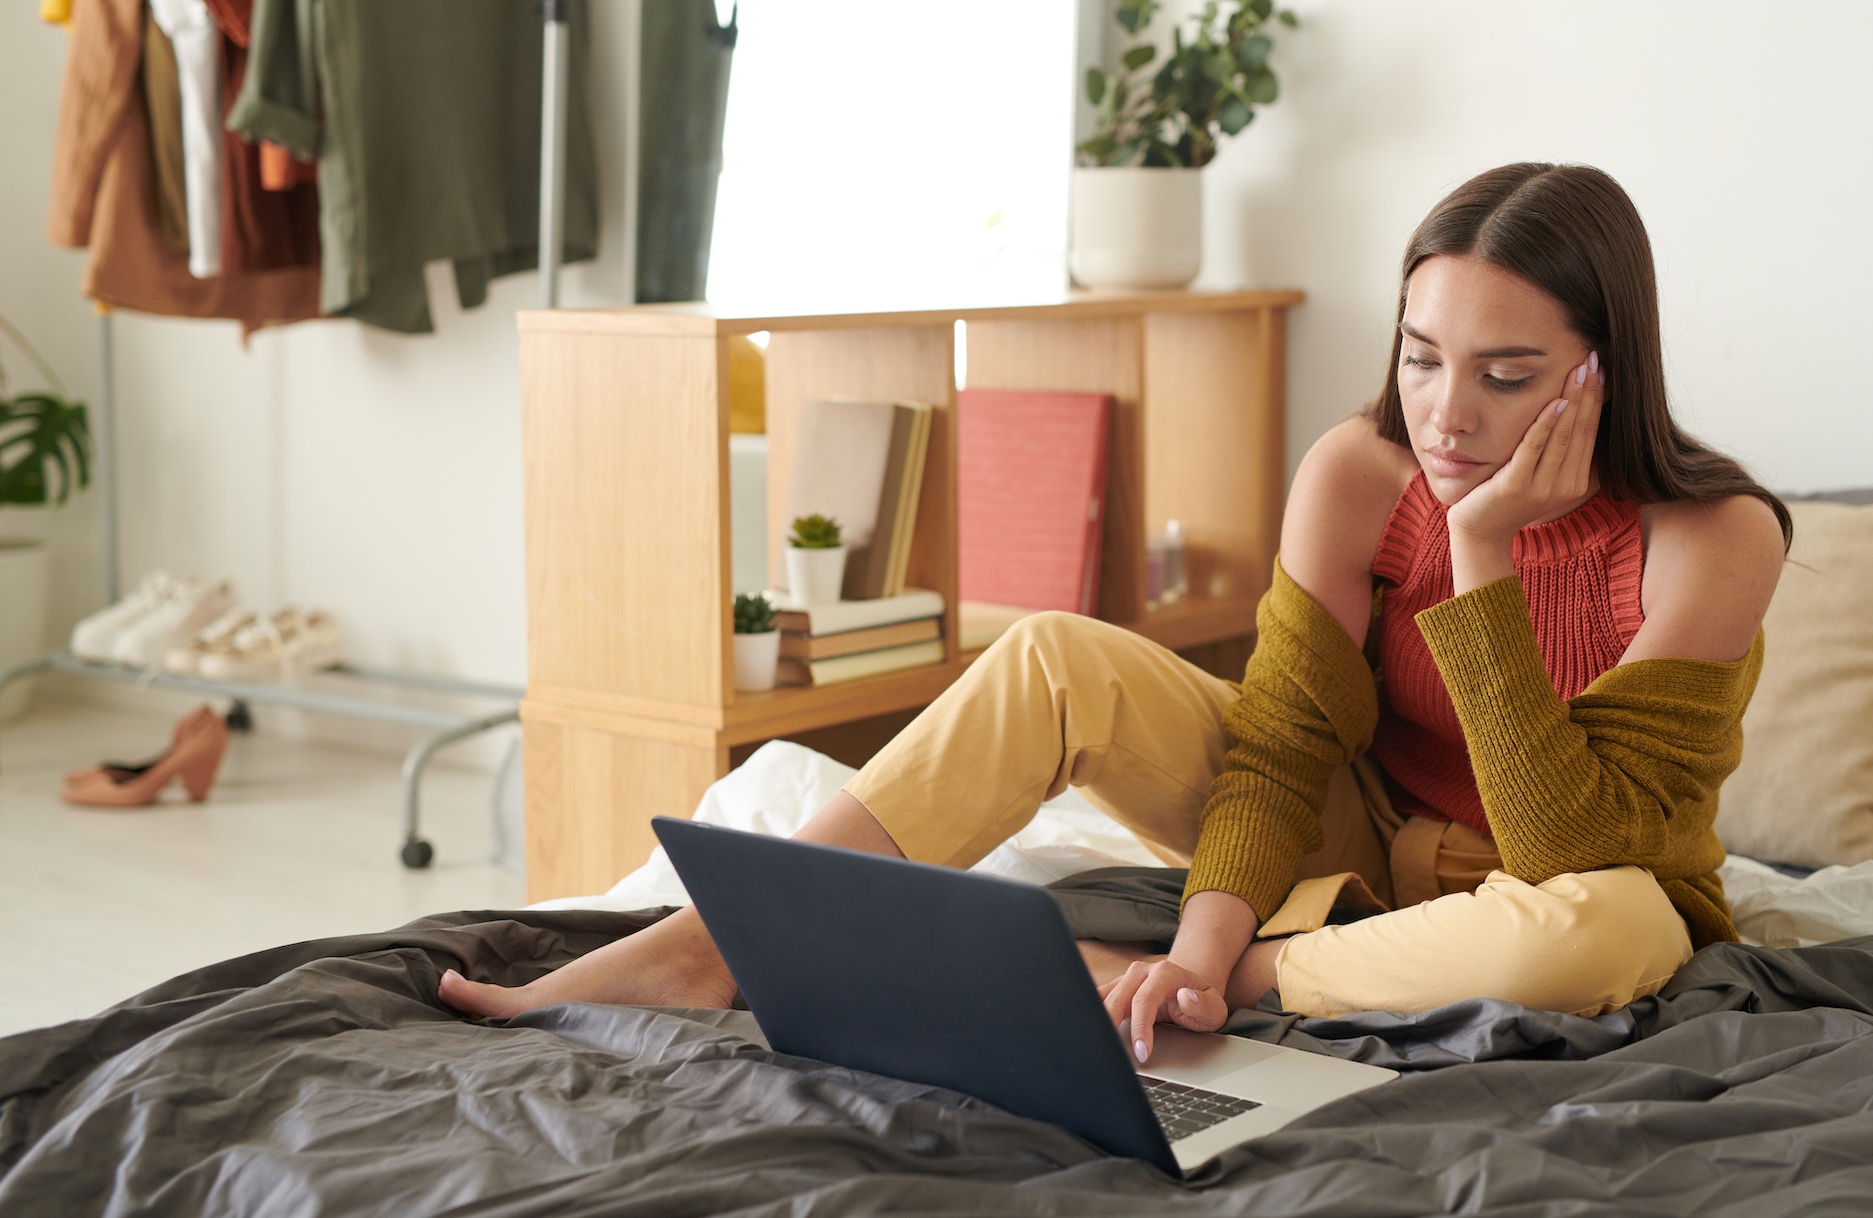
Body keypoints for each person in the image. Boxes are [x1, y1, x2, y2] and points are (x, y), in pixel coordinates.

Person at [441, 162, 1789, 1065]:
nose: (1448, 414)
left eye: (1507, 375)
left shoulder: (1715, 537)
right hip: (1359, 840)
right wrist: (1195, 940)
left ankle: (1196, 972)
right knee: (1054, 655)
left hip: (1579, 880)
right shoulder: (1357, 474)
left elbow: (1561, 846)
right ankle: (707, 942)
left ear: (1602, 375)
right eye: (1422, 359)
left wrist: (1485, 553)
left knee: (1603, 935)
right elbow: (1279, 747)